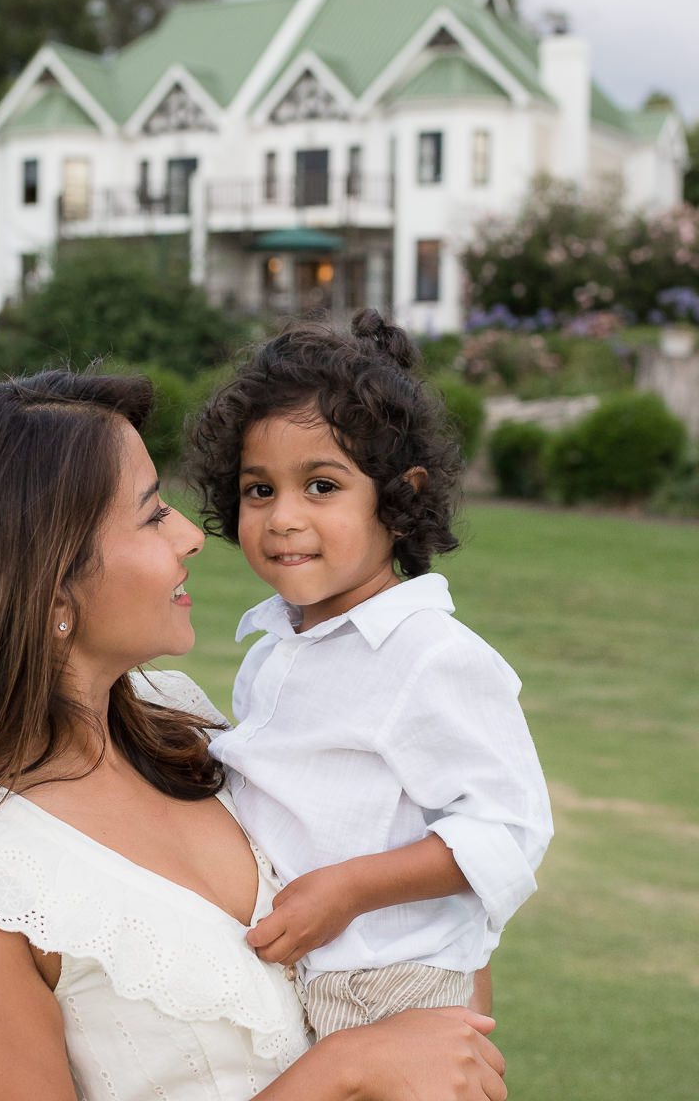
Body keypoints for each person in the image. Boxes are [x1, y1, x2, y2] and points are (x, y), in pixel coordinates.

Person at [0, 369, 508, 1101]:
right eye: (153, 514)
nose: (193, 535)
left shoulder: (188, 727)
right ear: (48, 583)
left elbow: (432, 918)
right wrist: (344, 1073)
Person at [188, 312, 554, 1039]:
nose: (283, 517)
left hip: (389, 987)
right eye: (259, 490)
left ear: (400, 497)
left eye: (321, 486)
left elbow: (508, 828)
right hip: (294, 977)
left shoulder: (429, 654)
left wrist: (351, 890)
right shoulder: (273, 647)